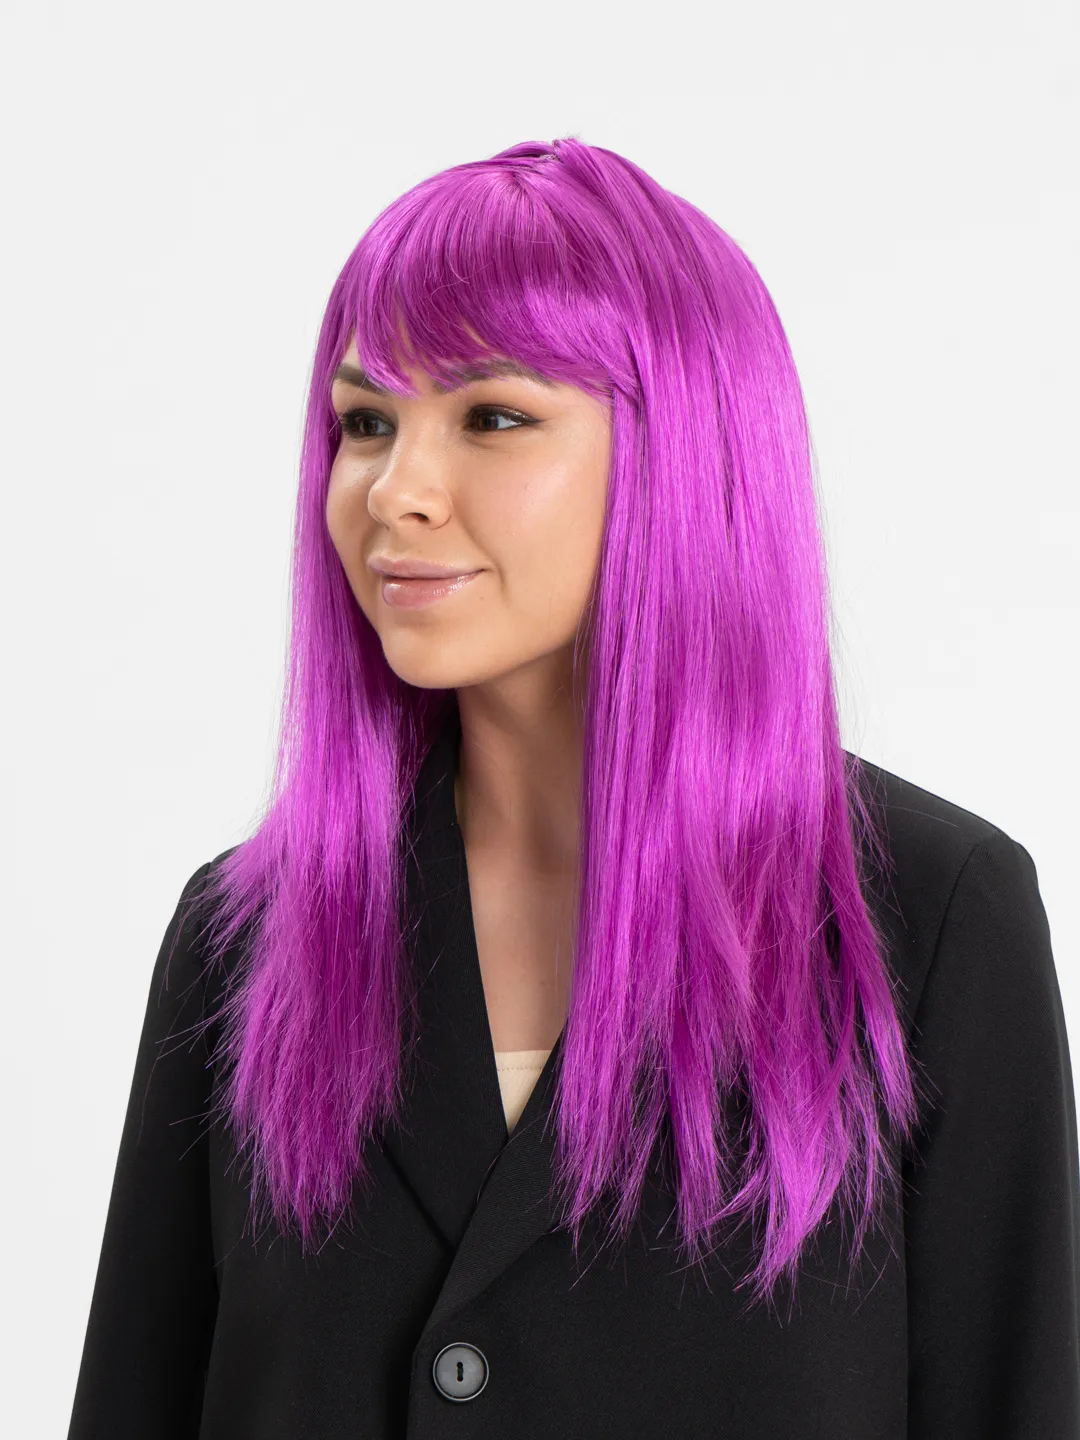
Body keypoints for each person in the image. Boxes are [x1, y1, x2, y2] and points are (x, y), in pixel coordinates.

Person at [66, 136, 1080, 1439]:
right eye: (365, 423)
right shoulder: (247, 937)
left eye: (493, 417)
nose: (395, 491)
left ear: (682, 455)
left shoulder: (925, 923)